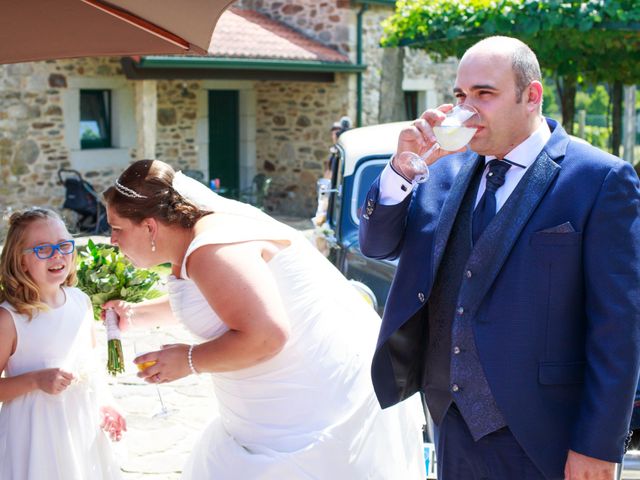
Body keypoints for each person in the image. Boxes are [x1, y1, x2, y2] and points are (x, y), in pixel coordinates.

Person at [359, 35, 640, 480]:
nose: (466, 109)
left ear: (531, 96)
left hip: (545, 434)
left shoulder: (600, 179)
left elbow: (618, 328)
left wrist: (599, 445)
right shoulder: (439, 171)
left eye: (483, 94)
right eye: (460, 96)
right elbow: (376, 244)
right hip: (449, 420)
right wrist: (400, 168)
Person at [101, 159, 425, 479]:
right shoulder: (194, 241)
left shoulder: (211, 252)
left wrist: (188, 359)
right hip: (266, 407)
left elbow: (267, 336)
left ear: (149, 226)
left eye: (117, 229)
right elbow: (223, 298)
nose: (112, 241)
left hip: (306, 410)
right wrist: (136, 315)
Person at [0, 208, 126, 480]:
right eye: (43, 249)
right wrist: (35, 381)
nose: (57, 255)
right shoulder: (10, 318)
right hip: (35, 437)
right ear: (20, 262)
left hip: (81, 426)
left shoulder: (80, 300)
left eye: (63, 245)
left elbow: (90, 365)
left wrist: (106, 403)